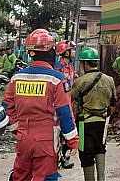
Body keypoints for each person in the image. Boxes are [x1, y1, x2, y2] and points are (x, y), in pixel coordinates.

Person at [2, 29, 79, 181]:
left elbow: (7, 108)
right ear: (51, 51)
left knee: (20, 176)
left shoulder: (17, 78)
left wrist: (18, 130)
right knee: (45, 177)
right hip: (46, 140)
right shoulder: (57, 79)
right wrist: (72, 140)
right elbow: (64, 112)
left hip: (23, 139)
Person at [71, 47, 116, 181]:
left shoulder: (80, 81)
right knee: (100, 148)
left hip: (85, 124)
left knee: (86, 154)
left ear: (85, 63)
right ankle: (101, 178)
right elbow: (113, 103)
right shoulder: (109, 80)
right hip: (102, 123)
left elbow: (69, 100)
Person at [54, 39, 78, 169]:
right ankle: (61, 158)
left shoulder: (70, 67)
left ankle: (64, 156)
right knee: (62, 132)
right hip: (62, 104)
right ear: (66, 52)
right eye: (72, 50)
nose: (74, 52)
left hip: (70, 102)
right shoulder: (58, 68)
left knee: (67, 131)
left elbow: (73, 79)